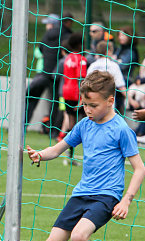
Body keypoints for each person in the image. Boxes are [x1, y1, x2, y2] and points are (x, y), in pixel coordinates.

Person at [18, 70, 145, 241]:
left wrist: (126, 200)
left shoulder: (121, 129)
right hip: (81, 195)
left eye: (93, 105)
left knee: (78, 237)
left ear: (110, 101)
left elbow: (139, 168)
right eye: (85, 104)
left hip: (107, 196)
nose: (87, 109)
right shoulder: (84, 125)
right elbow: (59, 148)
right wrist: (40, 154)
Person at [25, 13, 74, 137]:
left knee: (29, 99)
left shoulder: (47, 34)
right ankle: (53, 132)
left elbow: (41, 49)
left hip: (43, 73)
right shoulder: (68, 36)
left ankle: (20, 126)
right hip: (57, 75)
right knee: (56, 104)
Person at [57, 33, 88, 166]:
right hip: (76, 94)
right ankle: (82, 156)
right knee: (86, 124)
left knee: (71, 124)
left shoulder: (67, 58)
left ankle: (69, 156)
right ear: (80, 44)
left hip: (66, 92)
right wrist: (82, 99)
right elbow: (81, 79)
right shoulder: (81, 59)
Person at [87, 40, 127, 113]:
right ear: (108, 51)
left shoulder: (93, 66)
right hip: (108, 103)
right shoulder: (113, 65)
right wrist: (130, 99)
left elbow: (86, 85)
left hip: (94, 102)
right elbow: (121, 86)